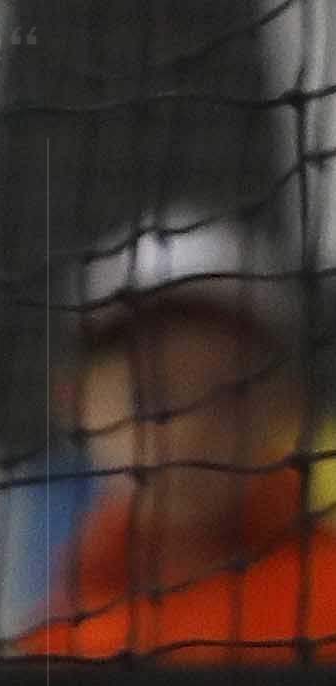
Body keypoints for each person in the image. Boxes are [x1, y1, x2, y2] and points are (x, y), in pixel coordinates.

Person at [17, 222, 321, 658]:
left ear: (285, 402)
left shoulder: (326, 601)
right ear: (75, 400)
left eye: (229, 392)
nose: (188, 427)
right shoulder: (55, 642)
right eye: (150, 397)